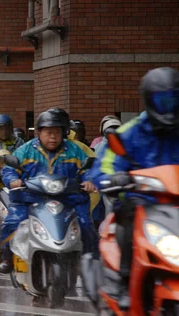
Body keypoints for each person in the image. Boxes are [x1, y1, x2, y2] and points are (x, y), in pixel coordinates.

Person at [91, 67, 179, 310]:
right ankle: (124, 280)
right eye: (162, 101)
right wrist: (111, 178)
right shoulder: (130, 132)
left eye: (174, 100)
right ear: (150, 100)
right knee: (128, 215)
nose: (168, 108)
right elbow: (106, 162)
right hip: (141, 204)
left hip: (176, 206)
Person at [0, 108, 98, 274]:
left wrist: (88, 181)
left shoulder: (74, 150)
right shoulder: (26, 150)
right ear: (39, 133)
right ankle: (7, 257)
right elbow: (9, 169)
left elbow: (85, 170)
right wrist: (12, 180)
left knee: (85, 224)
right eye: (48, 132)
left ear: (63, 133)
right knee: (14, 221)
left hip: (68, 198)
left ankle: (89, 259)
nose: (53, 137)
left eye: (57, 132)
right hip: (30, 198)